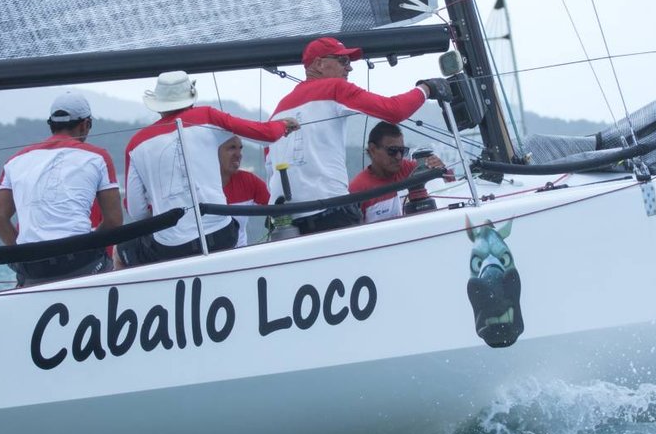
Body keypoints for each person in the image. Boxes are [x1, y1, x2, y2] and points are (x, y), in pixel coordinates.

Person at [270, 36, 447, 234]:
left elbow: (270, 164)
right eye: (343, 61)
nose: (349, 68)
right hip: (330, 213)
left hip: (285, 222)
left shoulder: (277, 112)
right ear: (319, 64)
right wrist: (427, 88)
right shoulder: (334, 87)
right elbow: (395, 111)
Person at [122, 71, 297, 264]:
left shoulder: (136, 144)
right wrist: (282, 125)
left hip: (170, 248)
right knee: (230, 228)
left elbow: (136, 211)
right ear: (190, 99)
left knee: (121, 251)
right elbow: (266, 134)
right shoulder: (206, 116)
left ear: (158, 106)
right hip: (220, 237)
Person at [0, 90, 121, 286]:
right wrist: (89, 245)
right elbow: (113, 220)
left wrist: (21, 255)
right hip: (81, 260)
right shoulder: (98, 157)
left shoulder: (14, 161)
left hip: (32, 266)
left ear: (51, 124)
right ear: (86, 124)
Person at [348, 123, 452, 223]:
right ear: (373, 150)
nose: (398, 157)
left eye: (402, 151)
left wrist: (440, 167)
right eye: (392, 151)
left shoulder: (412, 169)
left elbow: (450, 183)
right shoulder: (357, 189)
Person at [219, 134, 269, 247]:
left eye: (240, 148)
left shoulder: (249, 181)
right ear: (215, 151)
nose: (238, 155)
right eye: (232, 148)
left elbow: (276, 207)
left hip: (241, 257)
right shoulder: (198, 185)